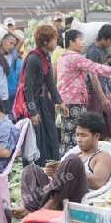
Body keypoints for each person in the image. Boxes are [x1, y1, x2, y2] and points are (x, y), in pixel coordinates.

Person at [12, 112, 111, 219]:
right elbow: (61, 181)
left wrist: (73, 173)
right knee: (31, 169)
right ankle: (28, 207)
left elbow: (99, 183)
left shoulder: (102, 157)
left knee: (73, 160)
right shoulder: (76, 154)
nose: (79, 139)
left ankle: (51, 204)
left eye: (84, 136)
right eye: (77, 135)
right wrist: (55, 172)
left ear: (96, 136)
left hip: (75, 198)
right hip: (58, 192)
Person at [57, 29, 111, 155]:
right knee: (76, 138)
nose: (83, 43)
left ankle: (67, 164)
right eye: (80, 40)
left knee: (68, 135)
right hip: (75, 102)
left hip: (65, 101)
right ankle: (73, 165)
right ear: (71, 42)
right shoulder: (75, 58)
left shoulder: (62, 56)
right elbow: (95, 68)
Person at [22, 24, 69, 167]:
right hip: (32, 106)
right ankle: (34, 173)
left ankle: (51, 169)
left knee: (51, 136)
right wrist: (32, 112)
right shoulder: (33, 59)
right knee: (36, 141)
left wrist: (59, 102)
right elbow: (27, 88)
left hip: (40, 104)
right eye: (54, 39)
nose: (56, 42)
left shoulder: (45, 58)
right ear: (45, 41)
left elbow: (50, 84)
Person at [86, 24, 111, 141]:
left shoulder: (102, 52)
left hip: (102, 90)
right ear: (103, 38)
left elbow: (105, 74)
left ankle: (104, 149)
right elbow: (93, 76)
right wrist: (102, 97)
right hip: (94, 91)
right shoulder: (93, 52)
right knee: (95, 123)